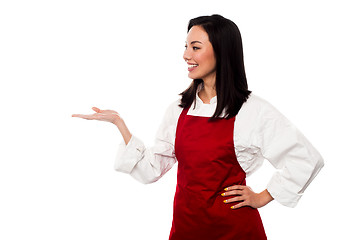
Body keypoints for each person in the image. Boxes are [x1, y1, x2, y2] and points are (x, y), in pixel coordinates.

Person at [72, 14, 324, 240]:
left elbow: (305, 158)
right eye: (185, 47)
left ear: (222, 51)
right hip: (187, 228)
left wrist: (263, 196)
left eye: (195, 47)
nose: (185, 55)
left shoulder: (253, 110)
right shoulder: (179, 109)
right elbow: (151, 170)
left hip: (236, 231)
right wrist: (119, 124)